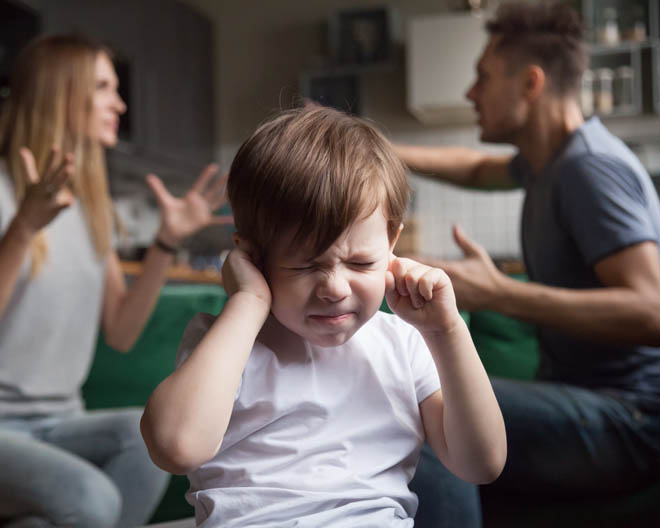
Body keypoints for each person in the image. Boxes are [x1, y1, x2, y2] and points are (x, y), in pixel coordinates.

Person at [140, 104, 506, 527]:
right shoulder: (226, 344)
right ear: (252, 256)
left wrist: (447, 331)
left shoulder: (404, 344)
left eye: (361, 264)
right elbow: (174, 447)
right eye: (305, 265)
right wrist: (248, 303)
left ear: (392, 243)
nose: (334, 288)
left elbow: (482, 463)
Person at [394, 0, 660, 522]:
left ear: (530, 83)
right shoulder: (548, 162)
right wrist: (375, 146)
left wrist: (497, 294)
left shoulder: (589, 169)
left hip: (633, 419)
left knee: (423, 408)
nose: (470, 93)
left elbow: (653, 310)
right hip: (598, 403)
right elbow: (472, 168)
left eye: (483, 77)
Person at [0, 34, 232, 527]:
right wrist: (22, 229)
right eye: (104, 86)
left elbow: (122, 331)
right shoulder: (4, 194)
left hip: (60, 421)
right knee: (90, 499)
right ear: (62, 93)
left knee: (143, 441)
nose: (120, 103)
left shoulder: (90, 206)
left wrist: (165, 244)